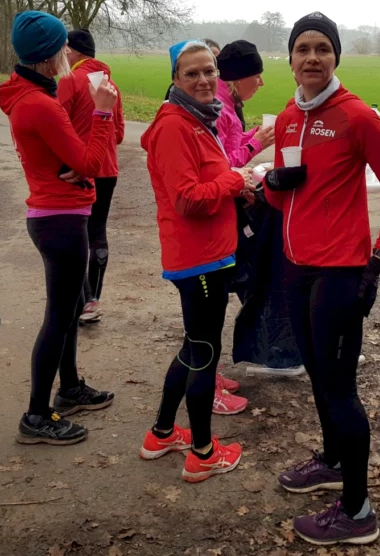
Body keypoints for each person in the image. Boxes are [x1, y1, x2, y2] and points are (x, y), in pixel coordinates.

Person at [264, 12, 380, 546]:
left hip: (342, 272)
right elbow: (281, 197)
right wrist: (271, 183)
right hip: (296, 267)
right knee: (316, 374)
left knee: (340, 386)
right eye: (302, 48)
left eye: (322, 49)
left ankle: (357, 510)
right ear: (290, 58)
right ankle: (330, 460)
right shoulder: (286, 118)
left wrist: (377, 263)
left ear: (335, 58)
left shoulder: (357, 117)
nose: (311, 57)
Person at [0, 11, 118, 446]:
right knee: (59, 317)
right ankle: (36, 413)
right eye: (62, 46)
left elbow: (70, 157)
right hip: (60, 219)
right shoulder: (40, 104)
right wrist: (103, 113)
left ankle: (69, 388)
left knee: (67, 312)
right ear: (49, 56)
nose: (68, 52)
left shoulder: (29, 95)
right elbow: (91, 162)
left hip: (58, 215)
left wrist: (72, 162)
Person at [138, 40, 248, 482]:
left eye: (209, 72)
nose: (203, 80)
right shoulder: (174, 127)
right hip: (198, 258)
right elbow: (187, 199)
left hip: (210, 253)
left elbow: (208, 183)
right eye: (192, 74)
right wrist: (235, 180)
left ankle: (162, 433)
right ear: (175, 80)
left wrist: (234, 184)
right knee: (204, 351)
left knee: (193, 347)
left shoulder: (198, 120)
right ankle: (202, 453)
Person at [56, 28, 125, 325]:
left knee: (74, 234)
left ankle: (79, 300)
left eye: (64, 50)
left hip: (78, 168)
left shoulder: (70, 81)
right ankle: (93, 299)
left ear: (73, 51)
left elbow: (56, 126)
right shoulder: (112, 85)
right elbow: (120, 134)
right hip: (107, 168)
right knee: (97, 231)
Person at [215, 39, 276, 167]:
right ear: (238, 79)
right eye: (257, 76)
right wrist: (255, 144)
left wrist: (255, 134)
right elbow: (218, 167)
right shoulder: (217, 111)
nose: (261, 83)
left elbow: (230, 143)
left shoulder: (226, 103)